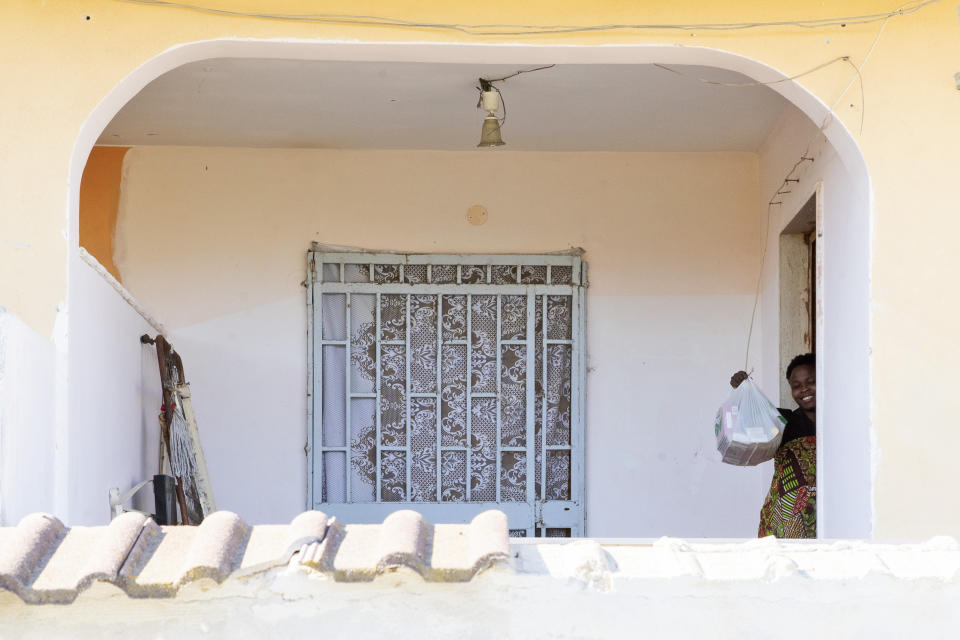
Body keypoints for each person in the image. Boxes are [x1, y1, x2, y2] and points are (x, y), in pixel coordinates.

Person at [730, 353, 816, 538]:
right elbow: (746, 427)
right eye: (796, 386)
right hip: (785, 521)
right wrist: (742, 392)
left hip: (830, 515)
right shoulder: (781, 421)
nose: (804, 390)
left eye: (811, 382)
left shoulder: (840, 424)